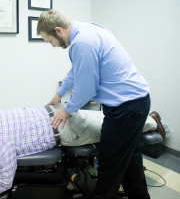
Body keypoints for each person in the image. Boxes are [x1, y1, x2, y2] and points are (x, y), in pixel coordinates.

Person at [37, 10, 152, 199]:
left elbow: (86, 89)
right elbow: (77, 70)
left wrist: (66, 110)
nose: (52, 46)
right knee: (131, 161)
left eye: (49, 41)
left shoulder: (82, 43)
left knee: (110, 165)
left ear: (58, 30)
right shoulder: (89, 29)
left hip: (126, 109)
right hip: (136, 102)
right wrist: (58, 95)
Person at [0, 103, 164, 199]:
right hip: (59, 113)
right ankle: (149, 119)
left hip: (67, 132)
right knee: (105, 119)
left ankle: (152, 122)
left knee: (119, 127)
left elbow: (4, 181)